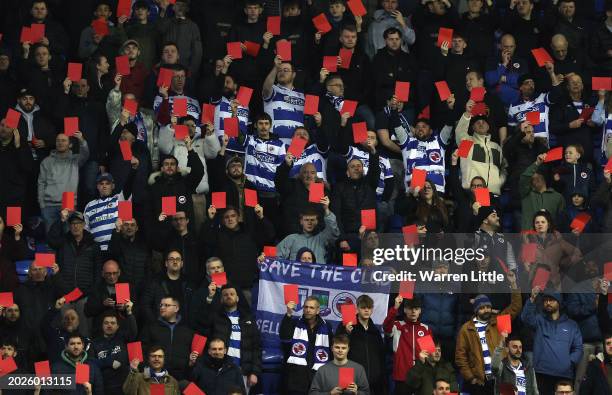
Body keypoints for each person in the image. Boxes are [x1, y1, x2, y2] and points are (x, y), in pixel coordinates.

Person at [455, 274, 522, 395]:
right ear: (476, 310)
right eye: (482, 308)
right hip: (479, 382)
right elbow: (461, 357)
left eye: (488, 307)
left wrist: (514, 285)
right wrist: (471, 378)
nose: (486, 310)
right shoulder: (466, 329)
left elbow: (516, 307)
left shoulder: (498, 321)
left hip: (500, 379)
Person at [521, 287, 583, 395]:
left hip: (564, 374)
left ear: (559, 302)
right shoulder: (539, 320)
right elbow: (525, 318)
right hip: (542, 372)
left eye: (551, 300)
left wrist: (569, 362)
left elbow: (578, 348)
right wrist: (532, 299)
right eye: (545, 300)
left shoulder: (571, 325)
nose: (548, 303)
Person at [208, 285, 262, 393]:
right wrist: (209, 298)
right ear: (221, 299)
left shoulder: (248, 319)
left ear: (237, 298)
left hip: (244, 372)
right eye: (225, 295)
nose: (229, 296)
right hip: (222, 371)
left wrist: (255, 372)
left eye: (232, 294)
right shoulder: (215, 318)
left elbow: (256, 347)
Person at [280, 296, 334, 395]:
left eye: (311, 308)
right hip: (296, 379)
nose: (308, 310)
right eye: (306, 307)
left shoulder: (327, 327)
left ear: (318, 310)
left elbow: (332, 350)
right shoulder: (295, 323)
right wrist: (288, 314)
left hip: (316, 378)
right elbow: (284, 337)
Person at [38, 132, 90, 231]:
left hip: (68, 203)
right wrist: (42, 204)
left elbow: (85, 154)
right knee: (51, 241)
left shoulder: (75, 160)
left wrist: (81, 140)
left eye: (63, 140)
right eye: (58, 140)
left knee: (68, 239)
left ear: (70, 144)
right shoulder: (46, 162)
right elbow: (41, 183)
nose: (60, 143)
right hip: (49, 206)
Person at [335, 295, 386, 395]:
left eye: (369, 307)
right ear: (357, 309)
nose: (366, 310)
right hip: (349, 378)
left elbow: (381, 356)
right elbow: (337, 349)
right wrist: (346, 333)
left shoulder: (375, 331)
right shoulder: (345, 326)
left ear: (372, 309)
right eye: (363, 307)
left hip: (372, 382)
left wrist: (379, 376)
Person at [382, 296, 432, 395]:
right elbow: (386, 327)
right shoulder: (398, 325)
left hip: (420, 376)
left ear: (420, 311)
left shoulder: (425, 329)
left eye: (416, 309)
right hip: (402, 376)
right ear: (405, 309)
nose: (413, 311)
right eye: (410, 308)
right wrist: (395, 308)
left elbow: (429, 355)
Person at [140, 296, 195, 380]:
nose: (162, 307)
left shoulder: (187, 330)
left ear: (176, 308)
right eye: (161, 305)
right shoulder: (151, 327)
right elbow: (142, 350)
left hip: (181, 376)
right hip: (155, 375)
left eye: (166, 305)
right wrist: (146, 371)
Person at [83, 171, 136, 253]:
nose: (104, 186)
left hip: (117, 248)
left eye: (107, 183)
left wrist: (133, 170)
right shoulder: (89, 205)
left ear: (113, 186)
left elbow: (128, 188)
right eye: (101, 183)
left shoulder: (119, 200)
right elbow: (86, 230)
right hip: (96, 251)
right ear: (97, 186)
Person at [140, 250, 195, 325]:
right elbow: (145, 305)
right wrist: (155, 323)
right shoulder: (156, 281)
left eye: (178, 259)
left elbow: (194, 307)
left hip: (183, 327)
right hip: (161, 327)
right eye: (171, 259)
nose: (175, 261)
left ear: (182, 264)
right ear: (166, 263)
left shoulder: (189, 283)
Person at [276, 199, 340, 264]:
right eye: (306, 220)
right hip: (297, 273)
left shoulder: (323, 237)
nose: (309, 223)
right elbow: (276, 257)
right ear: (301, 221)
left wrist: (326, 209)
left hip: (317, 273)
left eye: (312, 220)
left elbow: (333, 231)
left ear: (317, 221)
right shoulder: (291, 238)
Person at [90, 310, 137, 395]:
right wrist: (109, 362)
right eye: (106, 323)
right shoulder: (95, 343)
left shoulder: (123, 339)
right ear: (102, 325)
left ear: (118, 326)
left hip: (124, 387)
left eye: (112, 323)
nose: (109, 325)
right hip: (103, 387)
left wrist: (129, 313)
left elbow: (133, 332)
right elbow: (91, 362)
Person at [261, 57, 305, 144]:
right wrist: (275, 67)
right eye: (280, 70)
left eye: (286, 70)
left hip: (296, 146)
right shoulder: (273, 89)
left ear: (293, 74)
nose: (282, 72)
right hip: (274, 143)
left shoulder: (302, 96)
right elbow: (266, 89)